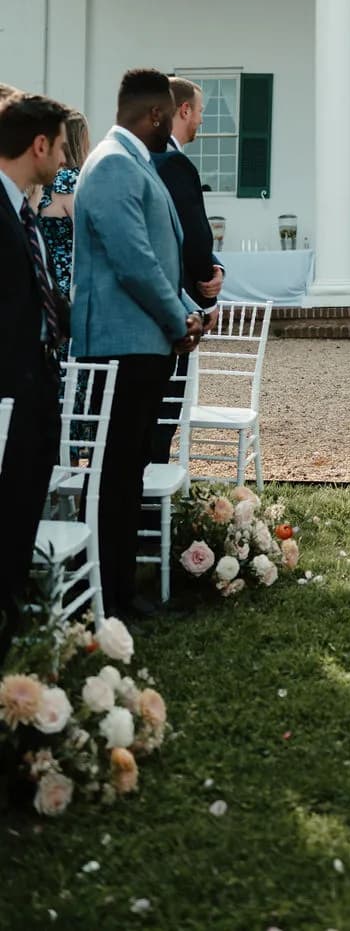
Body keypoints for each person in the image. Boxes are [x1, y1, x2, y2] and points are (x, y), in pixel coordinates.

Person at [72, 69, 203, 620]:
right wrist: (178, 319)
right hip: (120, 349)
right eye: (167, 117)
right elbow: (133, 263)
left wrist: (188, 313)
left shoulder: (134, 164)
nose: (170, 126)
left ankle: (123, 589)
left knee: (129, 475)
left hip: (142, 345)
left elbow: (156, 258)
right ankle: (111, 596)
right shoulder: (111, 166)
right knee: (116, 476)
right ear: (153, 115)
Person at [0, 92, 70, 656]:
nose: (66, 156)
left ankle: (14, 609)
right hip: (10, 395)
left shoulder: (25, 209)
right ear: (38, 145)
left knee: (25, 509)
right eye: (62, 144)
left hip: (37, 390)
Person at [150, 78, 223, 464]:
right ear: (183, 111)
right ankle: (153, 501)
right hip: (172, 305)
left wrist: (216, 264)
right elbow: (192, 237)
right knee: (163, 413)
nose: (201, 121)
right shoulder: (173, 162)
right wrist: (206, 300)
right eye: (199, 112)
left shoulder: (144, 156)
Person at [36, 108, 90, 303]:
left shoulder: (44, 180)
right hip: (69, 282)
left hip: (45, 277)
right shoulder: (72, 181)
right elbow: (87, 232)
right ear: (81, 140)